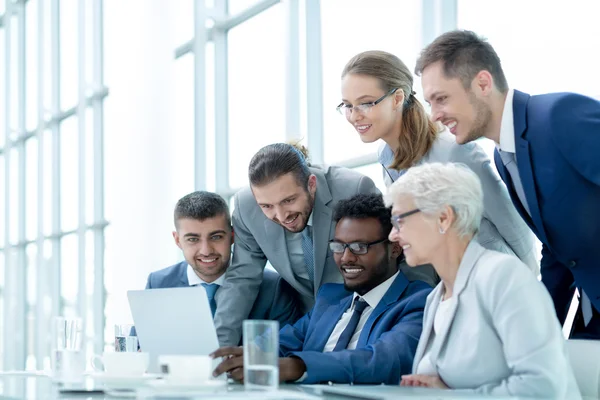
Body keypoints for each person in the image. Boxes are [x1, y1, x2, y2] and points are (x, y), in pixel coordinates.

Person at [415, 29, 600, 339]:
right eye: (430, 103)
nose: (434, 116)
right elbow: (558, 252)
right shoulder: (504, 159)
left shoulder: (557, 116)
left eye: (441, 99)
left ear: (483, 83)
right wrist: (536, 331)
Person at [338, 50, 538, 283]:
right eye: (347, 105)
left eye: (365, 103)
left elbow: (510, 221)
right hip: (449, 284)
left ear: (397, 98)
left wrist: (530, 282)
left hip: (495, 278)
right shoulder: (386, 156)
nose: (354, 116)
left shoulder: (451, 151)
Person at [385, 163, 580, 398]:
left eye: (399, 220)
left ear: (443, 218)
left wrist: (451, 396)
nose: (392, 235)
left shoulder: (505, 277)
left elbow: (543, 389)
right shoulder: (435, 298)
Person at [211, 193, 431, 384]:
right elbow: (282, 343)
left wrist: (296, 367)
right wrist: (246, 356)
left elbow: (383, 361)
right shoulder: (330, 298)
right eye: (339, 246)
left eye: (359, 247)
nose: (346, 258)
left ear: (394, 249)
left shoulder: (419, 302)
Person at [213, 143, 381, 347]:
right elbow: (241, 280)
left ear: (311, 184)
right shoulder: (246, 207)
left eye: (289, 200)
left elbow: (393, 259)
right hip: (302, 327)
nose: (281, 216)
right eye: (267, 206)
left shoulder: (353, 189)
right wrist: (217, 349)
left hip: (364, 323)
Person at [145, 191, 301, 331]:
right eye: (193, 239)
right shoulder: (158, 284)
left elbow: (285, 353)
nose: (206, 251)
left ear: (233, 236)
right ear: (178, 240)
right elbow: (139, 347)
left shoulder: (273, 288)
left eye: (216, 237)